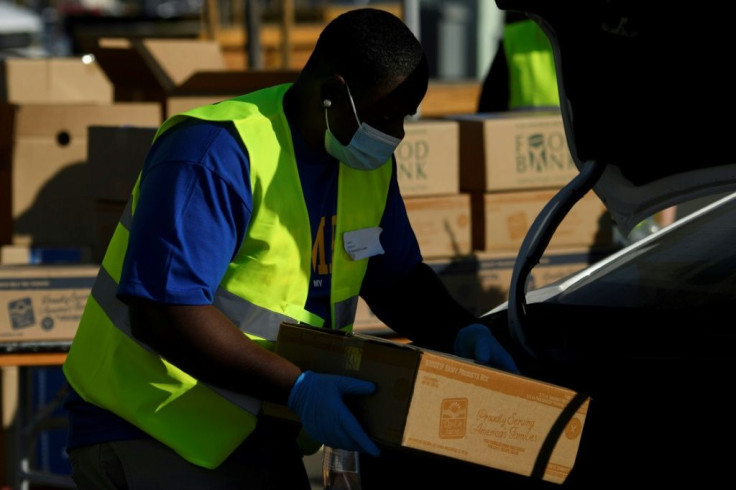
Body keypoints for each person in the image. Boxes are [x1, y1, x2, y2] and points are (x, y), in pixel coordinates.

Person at [61, 7, 518, 490]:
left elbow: (396, 279)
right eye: (386, 117)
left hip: (259, 427)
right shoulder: (214, 152)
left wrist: (463, 332)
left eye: (405, 118)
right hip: (151, 424)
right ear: (332, 93)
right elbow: (164, 311)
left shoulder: (364, 166)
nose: (397, 135)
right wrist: (297, 388)